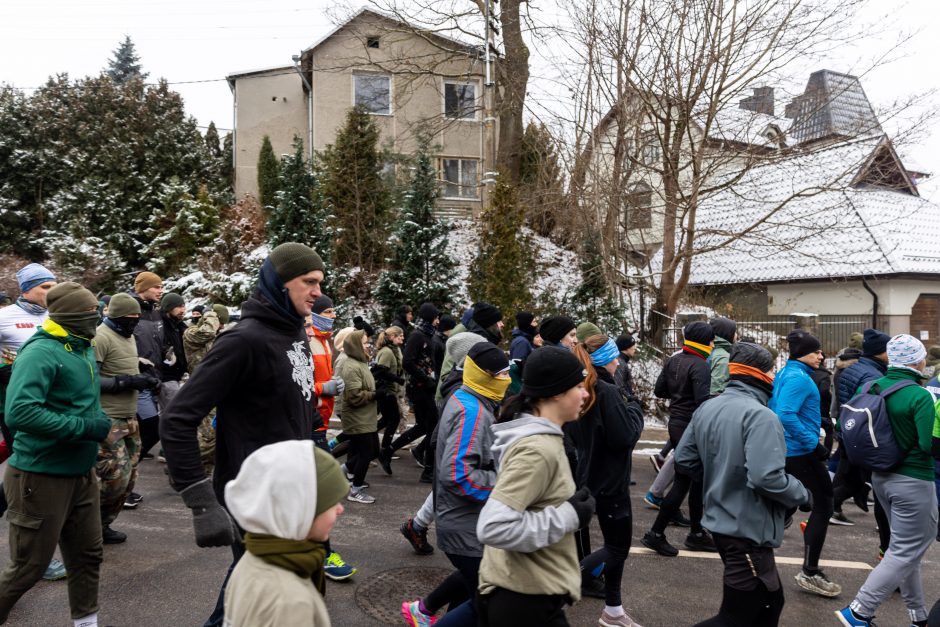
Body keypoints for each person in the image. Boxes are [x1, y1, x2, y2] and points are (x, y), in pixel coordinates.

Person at [161, 242, 325, 627]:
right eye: (309, 282)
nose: (317, 291)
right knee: (259, 594)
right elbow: (178, 419)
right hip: (253, 497)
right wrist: (201, 502)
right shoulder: (243, 340)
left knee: (257, 594)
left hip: (292, 494)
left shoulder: (295, 333)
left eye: (320, 282)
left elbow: (298, 406)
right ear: (279, 283)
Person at [0, 282, 112, 626]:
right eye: (90, 312)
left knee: (88, 556)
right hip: (40, 475)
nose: (97, 317)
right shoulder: (40, 352)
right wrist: (86, 427)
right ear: (69, 315)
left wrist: (99, 426)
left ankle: (86, 623)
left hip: (80, 473)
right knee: (29, 568)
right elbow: (19, 412)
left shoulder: (80, 347)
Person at [675, 343, 810, 627]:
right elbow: (766, 478)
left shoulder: (707, 407)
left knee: (771, 604)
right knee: (738, 615)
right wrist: (800, 493)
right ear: (760, 374)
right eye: (772, 369)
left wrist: (721, 478)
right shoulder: (762, 416)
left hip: (724, 522)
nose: (775, 374)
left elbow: (685, 460)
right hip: (746, 529)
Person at [476, 346, 593, 627]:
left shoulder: (544, 440)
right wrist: (569, 516)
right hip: (523, 601)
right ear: (555, 393)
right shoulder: (537, 449)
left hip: (531, 593)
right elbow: (494, 527)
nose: (586, 393)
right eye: (578, 385)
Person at [402, 342, 511, 627]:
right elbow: (459, 473)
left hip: (468, 523)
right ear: (484, 374)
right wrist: (503, 489)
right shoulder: (472, 411)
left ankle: (423, 610)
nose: (507, 379)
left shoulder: (472, 398)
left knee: (473, 590)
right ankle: (425, 613)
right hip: (464, 524)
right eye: (501, 374)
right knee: (488, 601)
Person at [835, 334, 938, 627]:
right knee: (907, 549)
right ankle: (859, 611)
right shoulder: (918, 395)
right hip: (914, 480)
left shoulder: (872, 385)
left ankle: (918, 616)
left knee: (905, 550)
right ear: (917, 360)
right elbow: (927, 444)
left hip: (880, 477)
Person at [223, 440, 348, 627]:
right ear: (299, 512)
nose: (340, 509)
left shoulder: (254, 557)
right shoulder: (289, 601)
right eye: (331, 502)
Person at [570, 334, 644, 627]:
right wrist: (635, 409)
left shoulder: (583, 387)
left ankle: (613, 610)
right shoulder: (606, 391)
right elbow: (624, 436)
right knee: (617, 548)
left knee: (615, 547)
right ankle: (556, 586)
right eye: (613, 356)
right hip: (611, 481)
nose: (618, 361)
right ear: (604, 360)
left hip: (590, 475)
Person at [0, 262, 67, 581]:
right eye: (45, 287)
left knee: (38, 479)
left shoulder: (57, 317)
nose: (51, 292)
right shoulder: (5, 317)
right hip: (18, 409)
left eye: (55, 286)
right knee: (32, 481)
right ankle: (31, 560)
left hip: (56, 408)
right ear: (25, 289)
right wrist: (3, 370)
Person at [768, 329, 841, 598]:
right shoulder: (799, 378)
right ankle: (810, 571)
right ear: (802, 354)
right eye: (817, 351)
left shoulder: (788, 372)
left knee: (796, 500)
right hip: (800, 450)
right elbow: (785, 414)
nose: (822, 356)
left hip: (790, 448)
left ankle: (765, 540)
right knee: (824, 504)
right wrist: (814, 445)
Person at [641, 321, 717, 556]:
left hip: (676, 423)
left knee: (696, 480)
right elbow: (703, 402)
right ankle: (656, 533)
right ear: (705, 341)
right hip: (692, 427)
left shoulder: (674, 359)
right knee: (686, 480)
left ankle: (696, 532)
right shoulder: (701, 365)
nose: (714, 344)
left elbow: (659, 390)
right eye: (712, 340)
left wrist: (679, 395)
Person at [95, 293, 161, 543]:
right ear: (115, 315)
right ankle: (88, 527)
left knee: (130, 476)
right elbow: (90, 378)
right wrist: (127, 381)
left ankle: (103, 525)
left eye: (137, 317)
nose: (134, 322)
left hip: (129, 417)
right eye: (129, 318)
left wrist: (142, 372)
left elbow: (121, 362)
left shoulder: (128, 335)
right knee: (115, 476)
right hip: (109, 418)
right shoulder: (100, 337)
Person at [833, 329, 892, 536]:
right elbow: (872, 409)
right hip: (863, 435)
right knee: (872, 482)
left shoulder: (855, 369)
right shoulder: (873, 375)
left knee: (851, 477)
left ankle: (829, 508)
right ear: (879, 352)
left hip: (850, 431)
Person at [389, 302, 441, 483]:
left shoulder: (428, 335)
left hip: (426, 387)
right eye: (435, 318)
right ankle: (428, 471)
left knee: (424, 426)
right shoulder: (417, 336)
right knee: (435, 426)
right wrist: (425, 379)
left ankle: (388, 450)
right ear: (429, 318)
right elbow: (407, 362)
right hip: (419, 388)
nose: (437, 321)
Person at [338, 329, 378, 504]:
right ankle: (355, 489)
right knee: (366, 452)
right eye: (363, 342)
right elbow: (354, 397)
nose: (367, 345)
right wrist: (375, 395)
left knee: (374, 450)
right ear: (355, 345)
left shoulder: (361, 362)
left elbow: (367, 385)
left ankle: (344, 469)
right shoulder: (351, 365)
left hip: (366, 416)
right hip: (357, 417)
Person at [128, 271, 164, 464]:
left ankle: (126, 478)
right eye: (156, 287)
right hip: (137, 380)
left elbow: (157, 343)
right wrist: (135, 360)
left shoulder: (155, 312)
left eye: (161, 286)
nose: (161, 290)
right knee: (152, 428)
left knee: (145, 432)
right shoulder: (131, 310)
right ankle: (125, 470)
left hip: (154, 378)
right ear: (143, 288)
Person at [374, 326, 406, 474]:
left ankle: (372, 439)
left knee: (388, 419)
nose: (402, 338)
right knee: (393, 419)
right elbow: (380, 371)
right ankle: (384, 449)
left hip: (389, 391)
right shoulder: (387, 352)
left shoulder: (392, 350)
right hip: (386, 391)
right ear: (392, 336)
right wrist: (398, 379)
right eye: (400, 336)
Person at [708, 317, 736, 395]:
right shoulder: (723, 357)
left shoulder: (709, 349)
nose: (736, 335)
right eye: (734, 331)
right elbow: (717, 390)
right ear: (726, 333)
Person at [614, 334, 637, 398]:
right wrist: (631, 399)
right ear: (626, 347)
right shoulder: (620, 363)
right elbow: (619, 388)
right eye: (633, 345)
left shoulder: (621, 361)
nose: (635, 348)